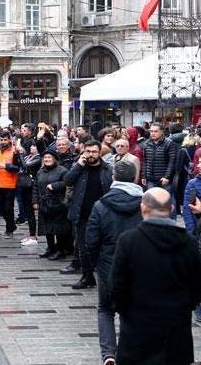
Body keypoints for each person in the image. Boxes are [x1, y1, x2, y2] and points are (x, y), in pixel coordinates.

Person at [111, 188, 201, 365]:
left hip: (137, 327)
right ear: (172, 208)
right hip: (176, 329)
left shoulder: (129, 241)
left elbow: (117, 285)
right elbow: (196, 285)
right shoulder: (188, 243)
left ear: (143, 208)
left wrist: (123, 309)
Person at [82, 161, 143, 365]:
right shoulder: (144, 204)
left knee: (105, 309)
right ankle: (127, 351)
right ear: (135, 178)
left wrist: (96, 263)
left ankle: (109, 354)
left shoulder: (101, 205)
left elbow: (91, 239)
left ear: (114, 178)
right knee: (131, 308)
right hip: (136, 264)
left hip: (108, 262)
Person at [63, 140, 113, 289]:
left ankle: (106, 277)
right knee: (83, 248)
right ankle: (87, 277)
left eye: (94, 152)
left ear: (100, 153)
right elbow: (68, 181)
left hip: (103, 215)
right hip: (82, 214)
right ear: (84, 152)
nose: (91, 155)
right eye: (88, 151)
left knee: (103, 248)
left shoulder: (108, 170)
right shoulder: (79, 167)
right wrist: (79, 165)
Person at [33, 150, 69, 259]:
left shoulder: (62, 170)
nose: (47, 160)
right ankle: (50, 248)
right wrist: (35, 201)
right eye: (45, 158)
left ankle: (60, 250)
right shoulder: (40, 172)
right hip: (44, 203)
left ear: (54, 159)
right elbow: (35, 187)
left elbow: (68, 182)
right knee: (47, 228)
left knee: (58, 229)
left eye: (49, 158)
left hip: (58, 203)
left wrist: (56, 185)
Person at [0, 131, 21, 238]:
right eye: (1, 140)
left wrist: (4, 166)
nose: (3, 142)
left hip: (10, 184)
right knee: (0, 209)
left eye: (5, 140)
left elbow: (17, 168)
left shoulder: (14, 151)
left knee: (8, 208)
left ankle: (9, 229)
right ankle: (12, 225)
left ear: (9, 140)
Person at [142, 122, 178, 193]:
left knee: (165, 201)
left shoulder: (169, 143)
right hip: (151, 179)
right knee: (152, 200)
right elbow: (145, 160)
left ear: (161, 132)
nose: (152, 133)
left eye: (155, 131)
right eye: (151, 131)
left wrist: (167, 177)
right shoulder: (146, 143)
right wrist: (144, 176)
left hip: (164, 179)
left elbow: (172, 161)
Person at [19, 144, 41, 246]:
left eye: (34, 146)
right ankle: (31, 234)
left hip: (32, 186)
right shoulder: (28, 156)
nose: (32, 147)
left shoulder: (38, 158)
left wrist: (20, 154)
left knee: (31, 212)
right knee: (28, 211)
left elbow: (25, 166)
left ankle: (33, 236)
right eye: (31, 146)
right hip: (24, 186)